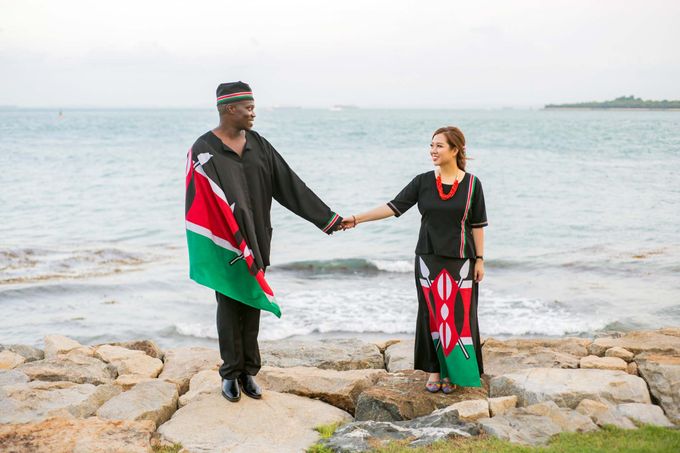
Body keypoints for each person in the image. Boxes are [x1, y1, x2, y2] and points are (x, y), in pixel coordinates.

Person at [185, 81, 344, 402]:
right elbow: (195, 202)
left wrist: (327, 218)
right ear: (230, 109)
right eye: (249, 108)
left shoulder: (258, 144)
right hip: (224, 243)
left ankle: (248, 372)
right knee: (230, 304)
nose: (253, 113)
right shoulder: (203, 149)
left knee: (252, 302)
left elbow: (289, 184)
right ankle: (229, 373)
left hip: (258, 237)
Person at [342, 126, 487, 391]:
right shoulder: (422, 182)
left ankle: (453, 372)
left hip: (461, 260)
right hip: (428, 258)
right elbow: (392, 207)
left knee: (457, 317)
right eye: (431, 145)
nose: (433, 150)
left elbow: (477, 225)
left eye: (439, 146)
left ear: (455, 150)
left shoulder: (473, 185)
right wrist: (357, 218)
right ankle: (434, 369)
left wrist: (480, 259)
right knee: (431, 315)